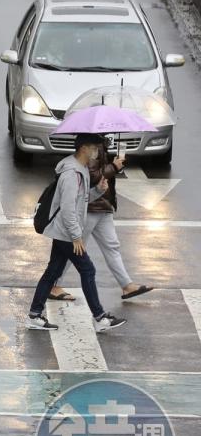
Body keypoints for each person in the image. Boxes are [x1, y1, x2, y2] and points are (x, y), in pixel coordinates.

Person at [27, 133, 127, 333]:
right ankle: (99, 318)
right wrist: (76, 236)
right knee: (87, 270)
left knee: (53, 271)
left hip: (64, 231)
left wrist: (98, 191)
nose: (97, 152)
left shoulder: (80, 169)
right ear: (83, 148)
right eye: (94, 148)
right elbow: (67, 209)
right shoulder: (71, 174)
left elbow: (80, 200)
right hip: (66, 233)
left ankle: (35, 315)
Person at [49, 138, 153, 302]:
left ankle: (126, 285)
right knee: (74, 248)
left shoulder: (101, 144)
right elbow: (92, 175)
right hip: (90, 206)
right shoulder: (92, 145)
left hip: (104, 204)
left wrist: (114, 164)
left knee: (112, 246)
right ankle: (54, 285)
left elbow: (102, 174)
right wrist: (114, 167)